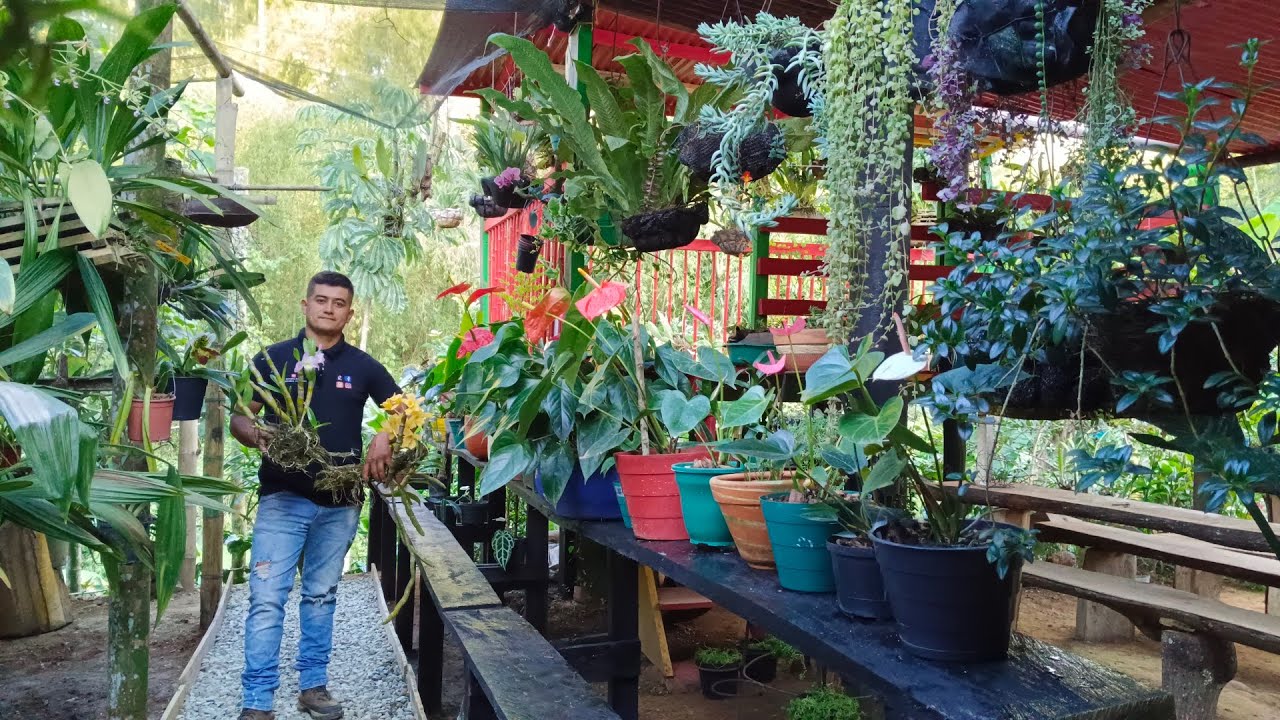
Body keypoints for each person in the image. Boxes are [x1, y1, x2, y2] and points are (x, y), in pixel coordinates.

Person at [231, 271, 400, 720]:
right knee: (267, 597)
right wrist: (257, 434)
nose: (329, 308)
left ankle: (313, 687)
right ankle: (256, 702)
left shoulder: (363, 366)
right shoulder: (271, 359)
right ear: (305, 305)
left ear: (350, 311)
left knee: (321, 595)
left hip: (340, 502)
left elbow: (405, 411)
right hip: (283, 499)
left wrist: (385, 435)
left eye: (339, 303)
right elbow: (239, 418)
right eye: (321, 300)